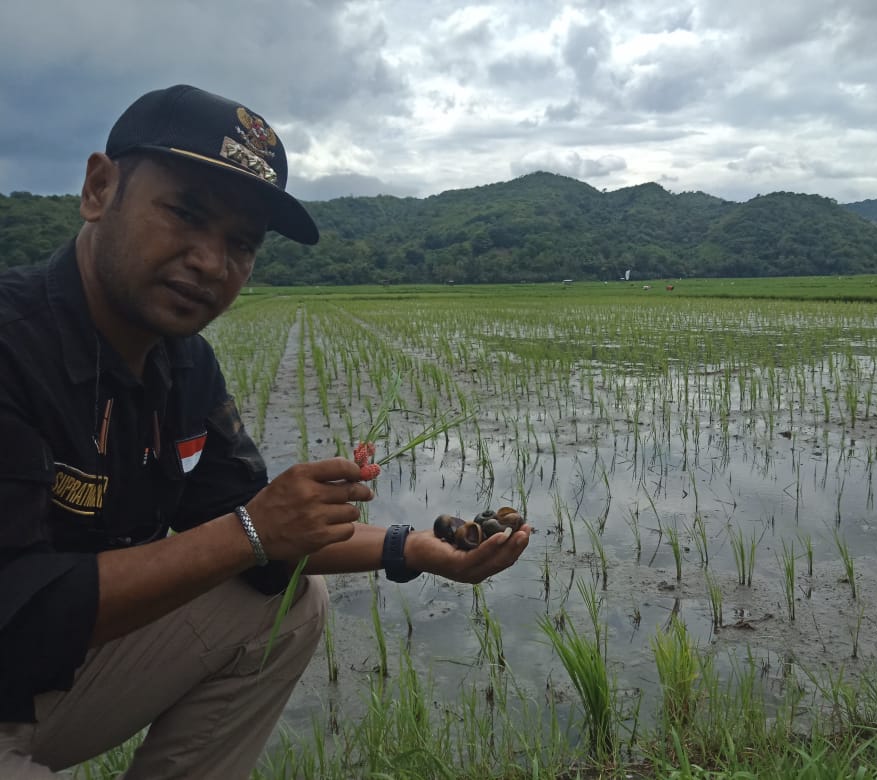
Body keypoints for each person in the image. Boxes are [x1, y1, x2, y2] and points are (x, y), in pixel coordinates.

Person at [0, 84, 531, 779]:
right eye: (185, 214)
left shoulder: (183, 366)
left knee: (283, 602)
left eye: (241, 243)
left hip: (40, 681)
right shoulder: (13, 345)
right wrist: (249, 531)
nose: (211, 262)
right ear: (100, 189)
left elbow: (259, 532)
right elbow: (18, 606)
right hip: (17, 651)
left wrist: (415, 549)